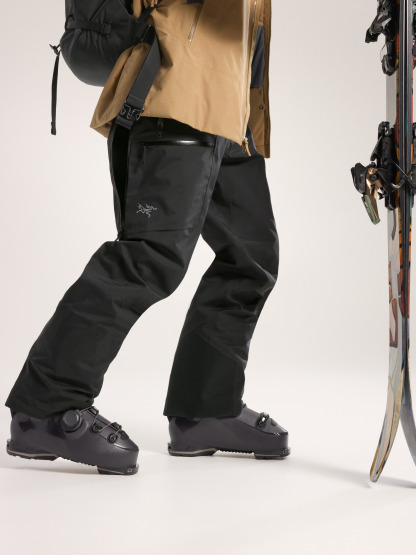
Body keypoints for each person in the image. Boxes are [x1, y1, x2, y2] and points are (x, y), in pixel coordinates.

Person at [4, 0, 289, 475]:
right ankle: (46, 406)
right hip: (173, 97)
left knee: (251, 258)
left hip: (230, 108)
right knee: (150, 257)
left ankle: (205, 409)